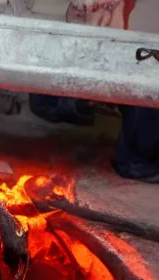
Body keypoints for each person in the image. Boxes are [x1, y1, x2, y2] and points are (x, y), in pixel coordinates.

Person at [30, 0, 158, 182]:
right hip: (88, 49)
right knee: (46, 98)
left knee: (149, 88)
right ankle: (73, 106)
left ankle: (135, 162)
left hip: (130, 55)